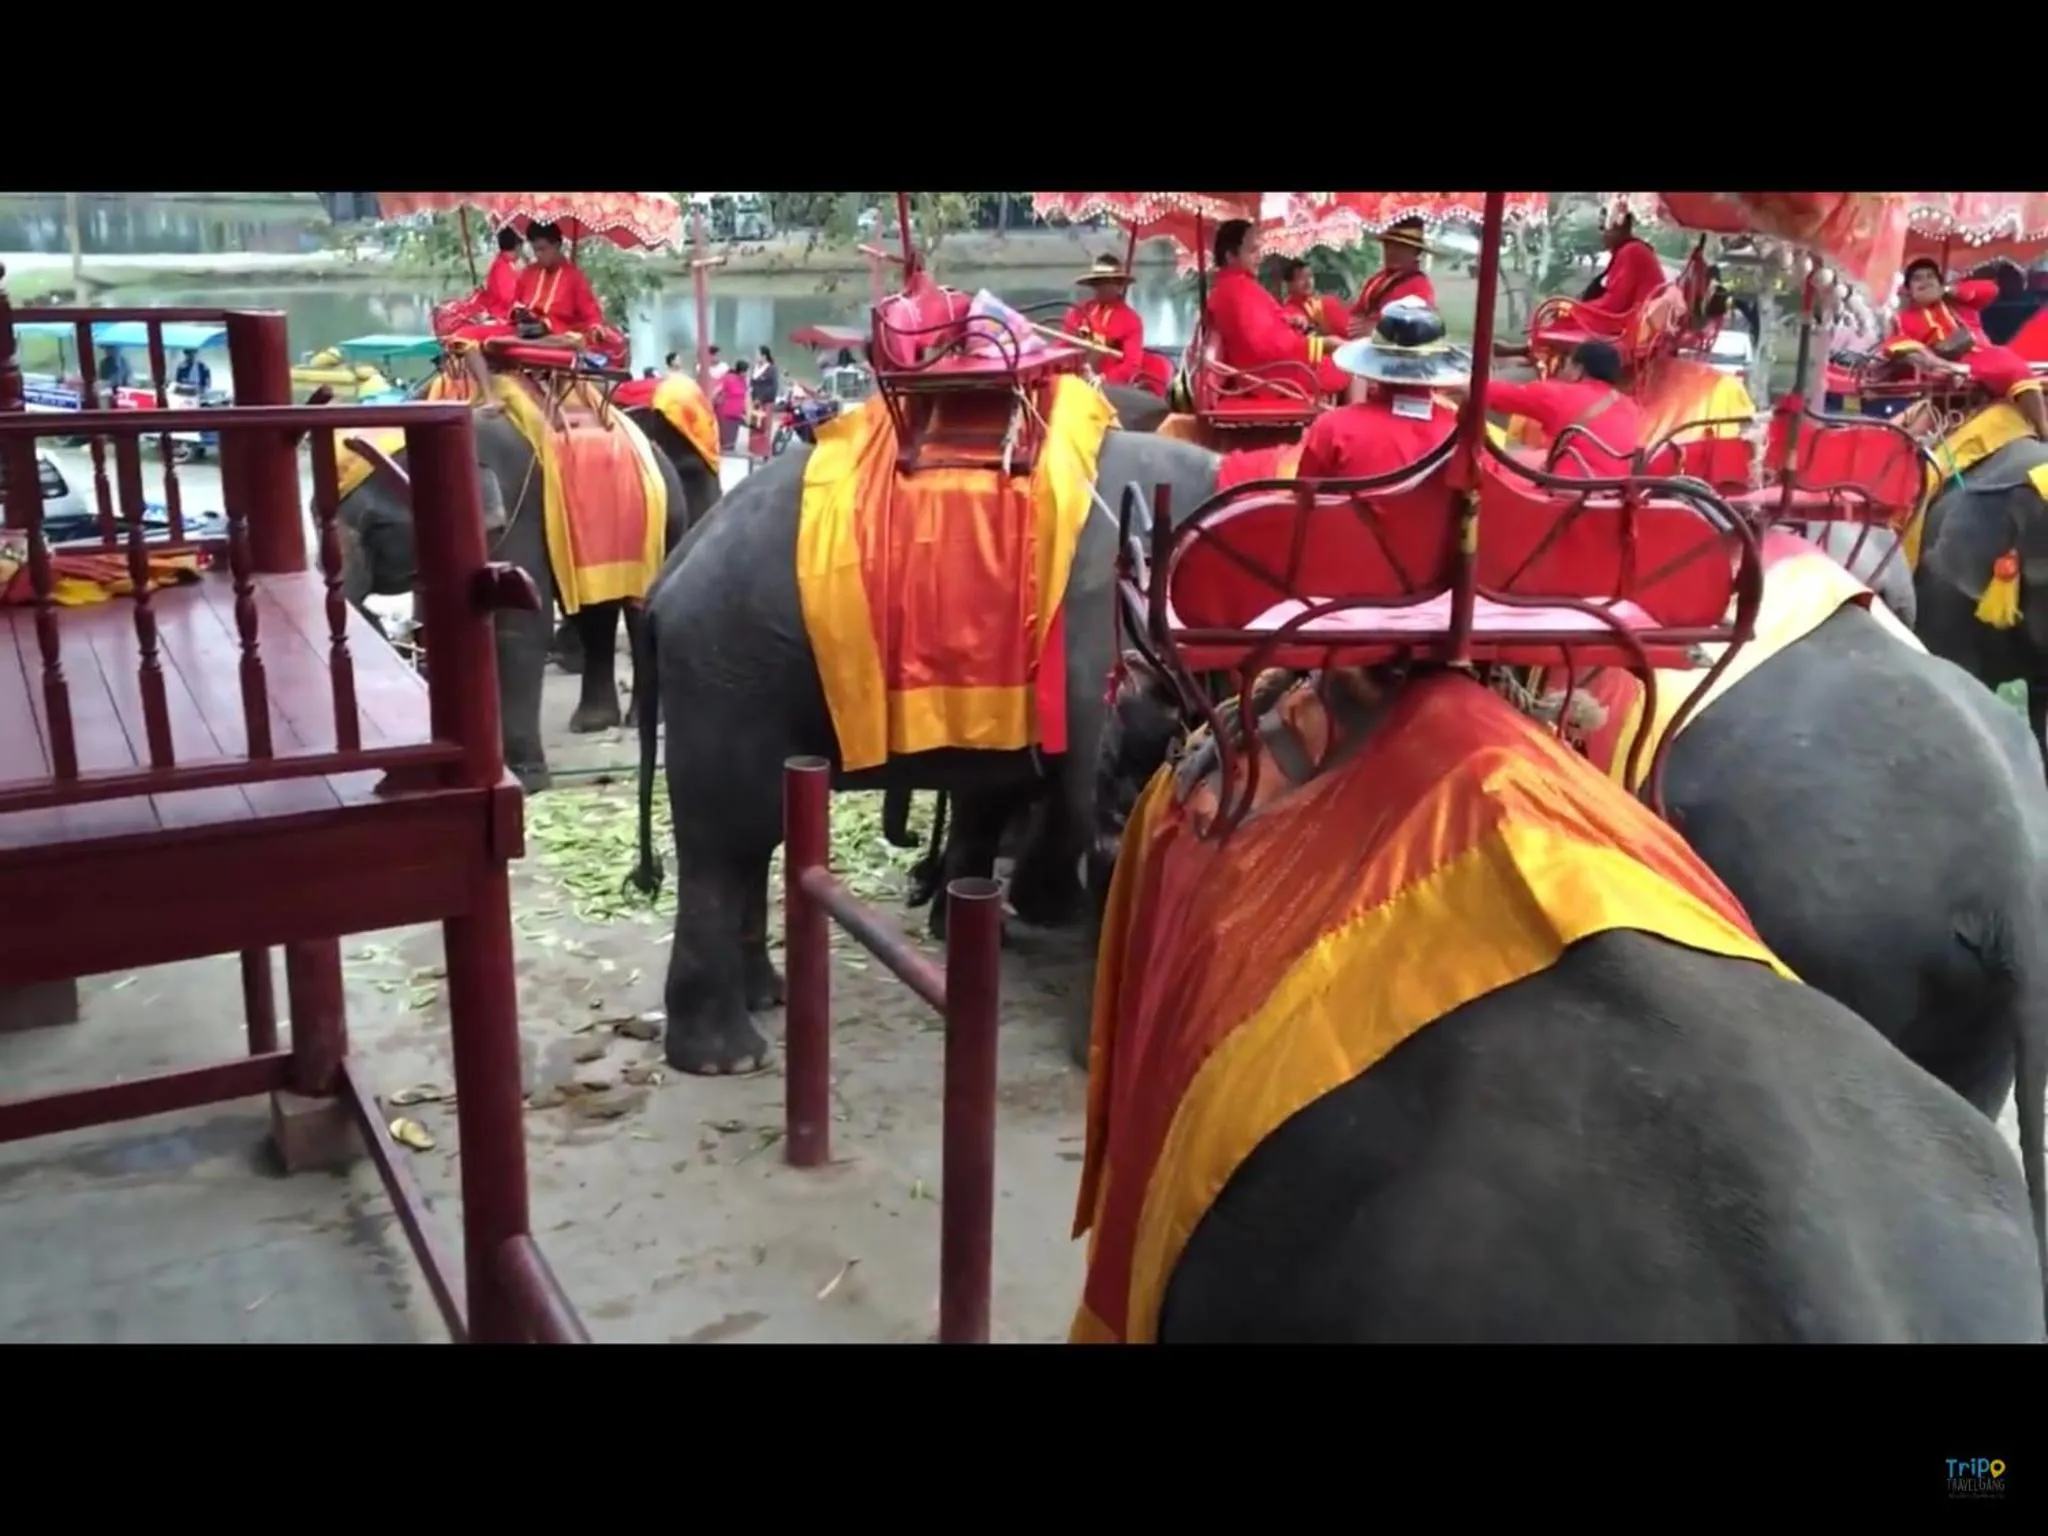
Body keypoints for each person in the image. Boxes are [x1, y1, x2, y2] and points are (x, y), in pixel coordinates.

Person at [1295, 298, 1464, 480]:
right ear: (1436, 366)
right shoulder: (1461, 432)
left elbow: (1302, 497)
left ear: (1375, 361)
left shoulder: (1332, 428)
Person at [1885, 257, 2048, 440]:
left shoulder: (1959, 303)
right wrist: (1939, 364)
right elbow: (1897, 346)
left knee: (2016, 371)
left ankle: (2043, 432)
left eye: (1931, 276)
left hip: (1983, 356)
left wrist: (1948, 291)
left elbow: (1989, 290)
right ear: (1909, 289)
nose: (1925, 282)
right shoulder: (1903, 318)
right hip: (1942, 370)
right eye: (1918, 278)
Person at [1204, 218, 1349, 400]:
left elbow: (1266, 327)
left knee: (1343, 355)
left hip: (1267, 370)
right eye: (1252, 250)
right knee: (1350, 367)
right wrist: (1324, 344)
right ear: (1230, 256)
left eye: (1259, 249)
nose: (1259, 256)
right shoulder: (1238, 290)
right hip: (1272, 376)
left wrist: (1288, 322)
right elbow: (1269, 347)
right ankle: (1352, 425)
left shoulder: (1233, 286)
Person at [1474, 340, 1643, 477]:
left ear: (1579, 369)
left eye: (1566, 364)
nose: (1562, 371)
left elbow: (1492, 393)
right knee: (1531, 454)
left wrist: (1455, 387)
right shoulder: (1631, 406)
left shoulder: (1560, 394)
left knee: (1487, 464)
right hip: (1615, 492)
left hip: (1571, 490)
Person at [1062, 254, 1151, 388]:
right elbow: (1062, 346)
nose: (1101, 287)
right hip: (1073, 380)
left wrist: (1104, 379)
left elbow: (1131, 364)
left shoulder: (1131, 320)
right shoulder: (1077, 312)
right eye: (1098, 283)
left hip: (1108, 388)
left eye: (1107, 282)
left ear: (1119, 286)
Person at [511, 221, 605, 342]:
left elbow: (592, 317)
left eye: (542, 249)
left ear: (557, 245)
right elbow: (515, 303)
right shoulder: (528, 272)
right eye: (535, 250)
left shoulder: (575, 277)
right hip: (524, 333)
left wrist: (595, 331)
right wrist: (519, 313)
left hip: (557, 338)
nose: (538, 255)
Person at [1347, 218, 1437, 338]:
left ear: (1416, 252)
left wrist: (1377, 331)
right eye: (1388, 245)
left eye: (1400, 246)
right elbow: (1356, 313)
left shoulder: (1420, 285)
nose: (1392, 251)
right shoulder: (1377, 279)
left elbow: (1416, 328)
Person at [1279, 259, 1350, 339]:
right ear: (1289, 284)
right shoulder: (1289, 311)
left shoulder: (1327, 301)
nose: (1308, 282)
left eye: (1310, 276)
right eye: (1301, 278)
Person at [484, 224, 523, 316]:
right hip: (502, 312)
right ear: (518, 246)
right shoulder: (502, 267)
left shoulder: (503, 262)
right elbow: (509, 297)